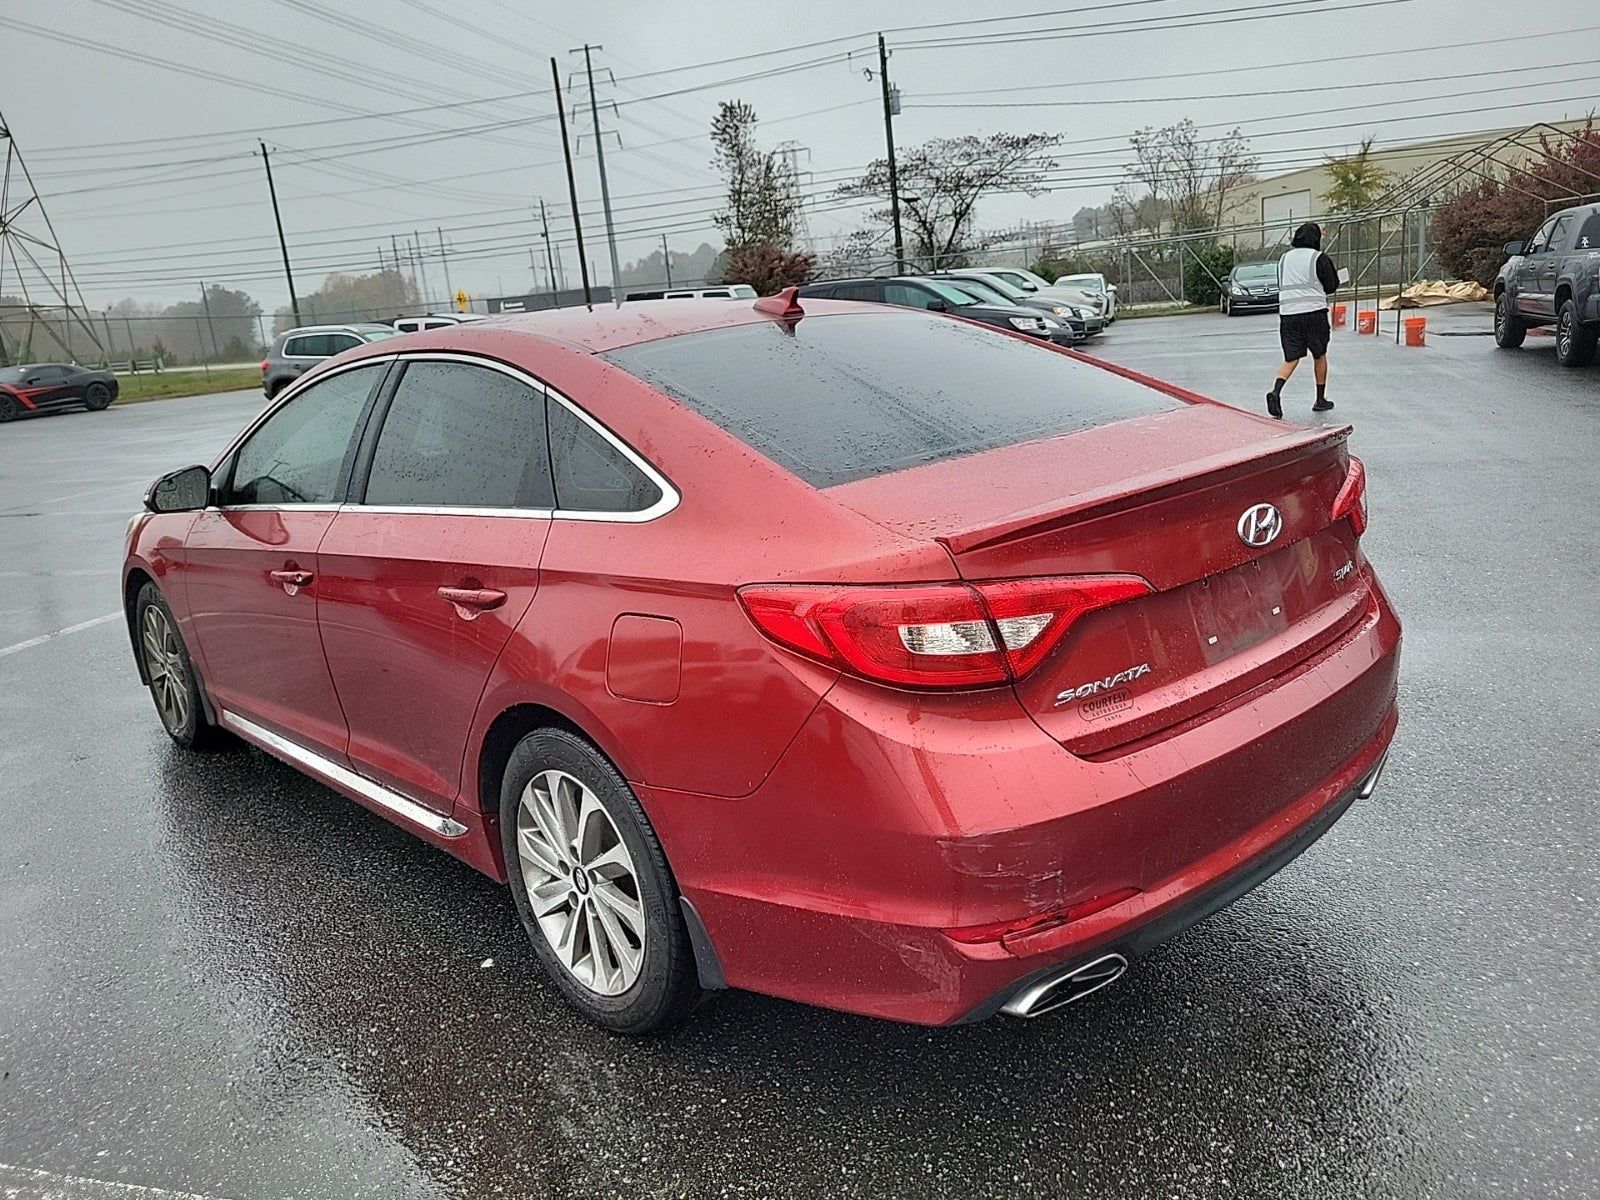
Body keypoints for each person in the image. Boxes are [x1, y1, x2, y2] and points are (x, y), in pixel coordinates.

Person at [1266, 222, 1341, 419]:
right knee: (1319, 354)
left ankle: (1276, 391)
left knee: (1291, 357)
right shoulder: (1318, 258)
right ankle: (1320, 399)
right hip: (1314, 313)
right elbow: (1331, 285)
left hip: (1288, 315)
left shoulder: (1283, 259)